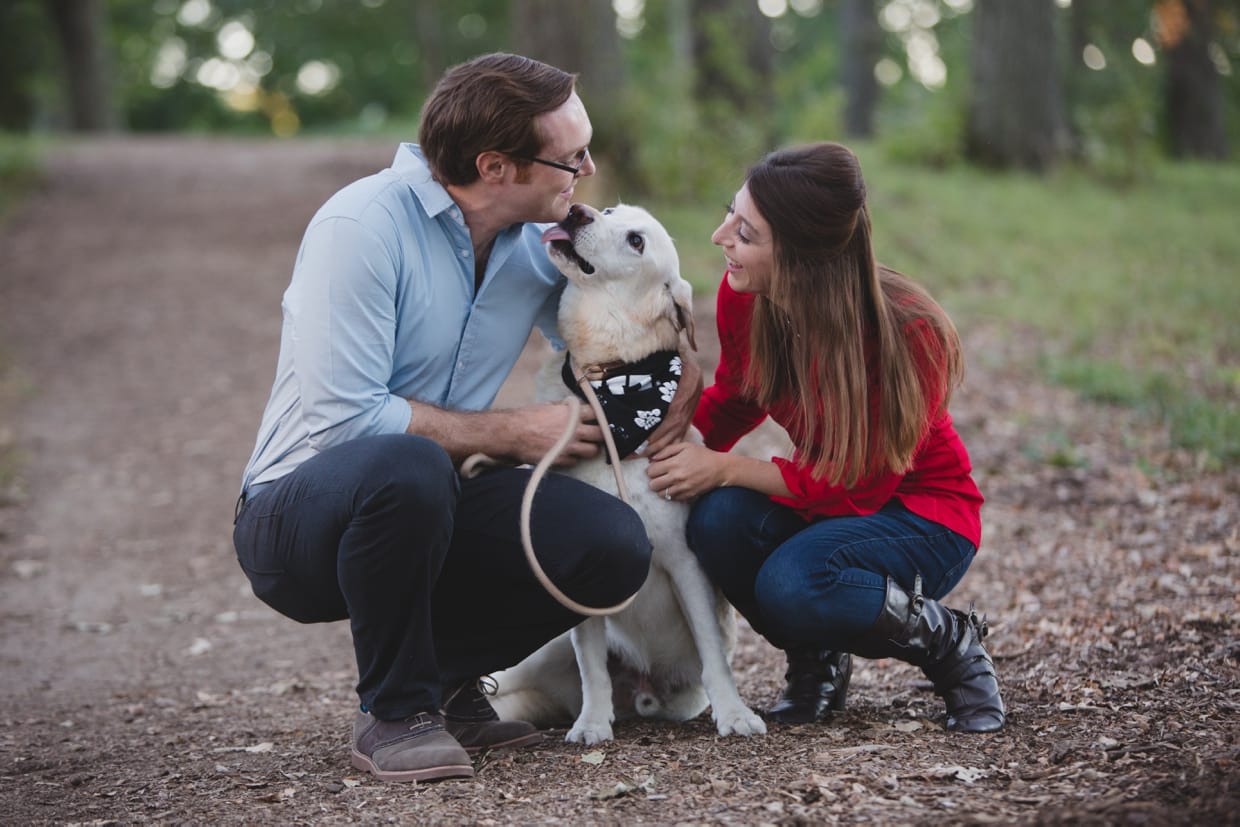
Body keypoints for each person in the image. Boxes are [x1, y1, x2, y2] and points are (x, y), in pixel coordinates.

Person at [232, 53, 701, 783]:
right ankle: (396, 711)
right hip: (297, 523)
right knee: (409, 464)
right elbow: (346, 420)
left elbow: (614, 334)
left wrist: (685, 371)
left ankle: (449, 683)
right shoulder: (360, 226)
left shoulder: (535, 243)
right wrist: (513, 432)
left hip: (436, 504)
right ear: (496, 167)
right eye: (570, 156)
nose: (586, 167)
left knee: (610, 545)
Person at [646, 142, 1005, 734]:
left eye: (746, 232)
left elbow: (856, 487)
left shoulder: (909, 332)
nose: (718, 237)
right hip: (831, 509)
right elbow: (740, 393)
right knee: (714, 519)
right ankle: (817, 660)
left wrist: (725, 467)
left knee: (793, 579)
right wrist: (656, 448)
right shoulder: (746, 297)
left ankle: (951, 642)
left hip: (925, 520)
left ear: (802, 256)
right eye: (729, 214)